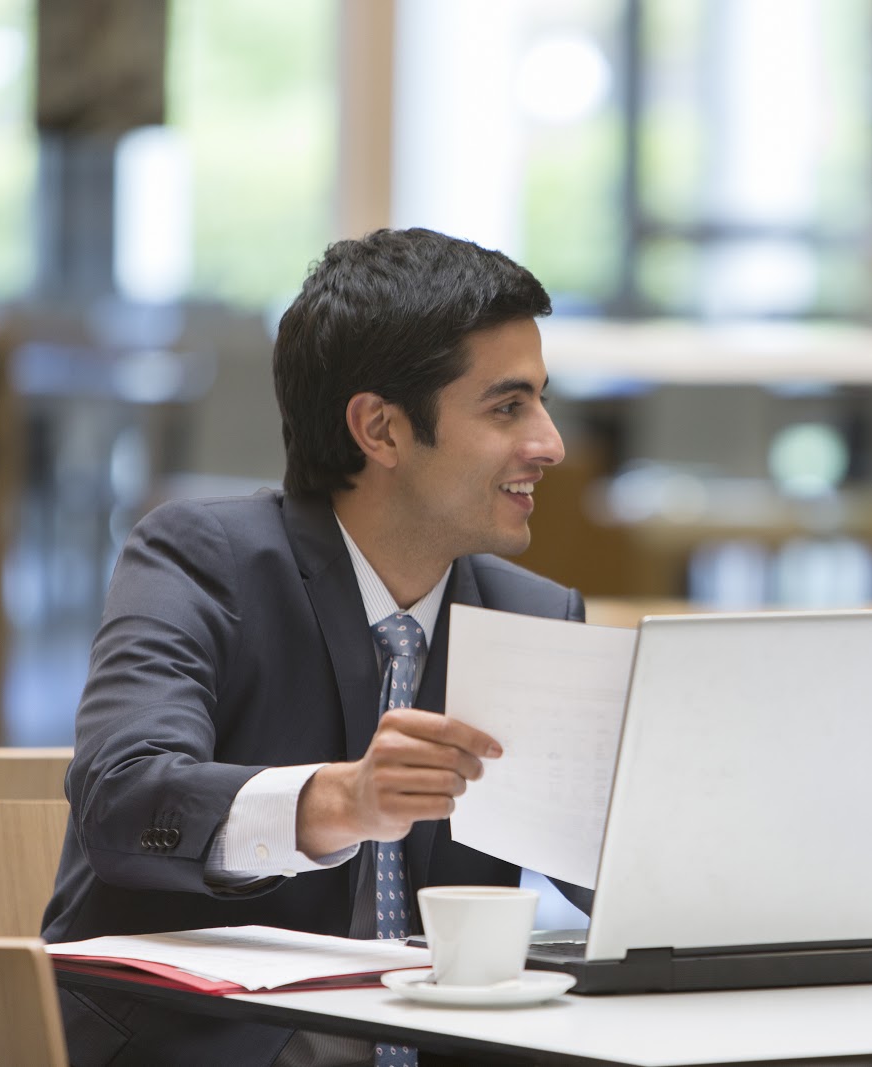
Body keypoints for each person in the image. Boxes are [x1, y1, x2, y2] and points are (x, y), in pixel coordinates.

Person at [42, 228, 590, 1066]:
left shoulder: (533, 616)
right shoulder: (201, 559)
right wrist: (336, 803)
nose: (550, 443)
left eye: (542, 402)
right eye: (507, 406)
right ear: (381, 428)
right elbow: (122, 799)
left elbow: (629, 875)